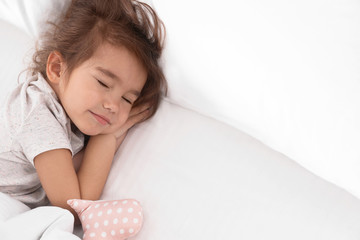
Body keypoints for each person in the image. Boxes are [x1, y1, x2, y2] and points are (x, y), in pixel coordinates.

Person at [0, 0, 167, 224]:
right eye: (104, 83)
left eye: (127, 99)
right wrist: (107, 138)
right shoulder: (38, 115)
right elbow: (75, 210)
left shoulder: (71, 116)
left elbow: (71, 172)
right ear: (57, 69)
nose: (113, 106)